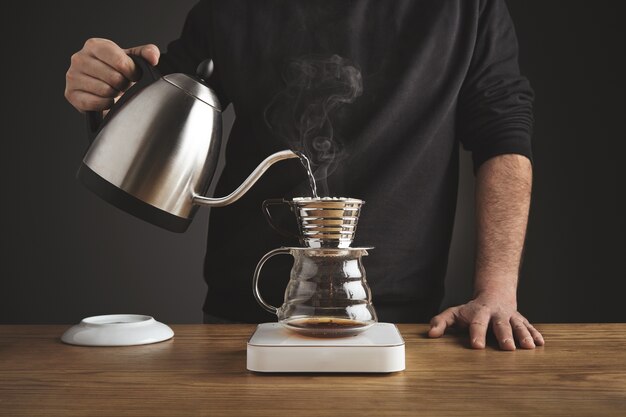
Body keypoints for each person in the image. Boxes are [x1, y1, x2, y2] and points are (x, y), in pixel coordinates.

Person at [64, 0, 545, 350]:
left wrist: (497, 291)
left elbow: (502, 133)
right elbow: (164, 100)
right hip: (242, 319)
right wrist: (107, 88)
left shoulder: (466, 8)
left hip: (404, 322)